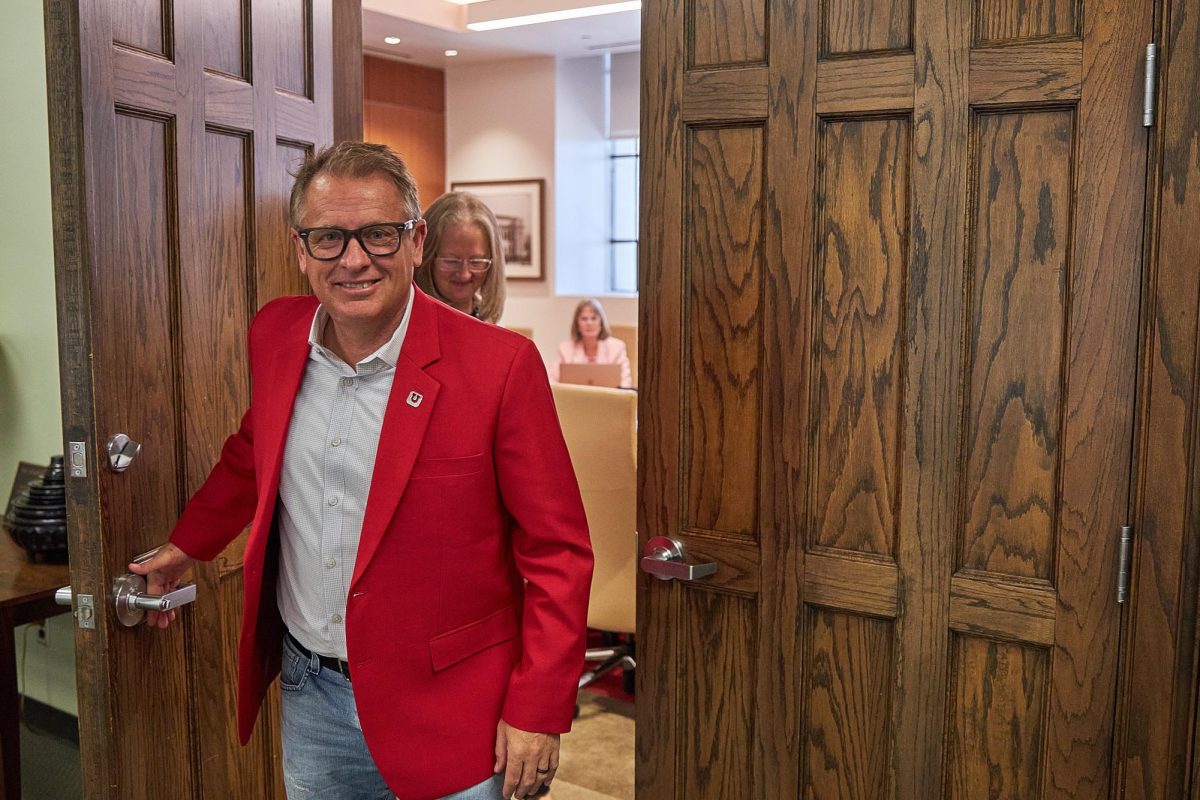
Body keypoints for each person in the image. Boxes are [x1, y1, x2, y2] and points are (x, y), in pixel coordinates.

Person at [132, 142, 593, 800]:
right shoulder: (275, 334)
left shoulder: (499, 367)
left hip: (455, 709)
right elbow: (251, 452)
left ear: (415, 240)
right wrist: (186, 547)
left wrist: (539, 709)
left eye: (378, 233)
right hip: (312, 694)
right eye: (329, 237)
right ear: (301, 248)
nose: (353, 259)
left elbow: (558, 551)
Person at [414, 191, 506, 323]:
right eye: (451, 261)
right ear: (426, 258)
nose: (464, 274)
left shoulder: (488, 324)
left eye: (476, 261)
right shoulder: (405, 324)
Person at [549, 299, 633, 388]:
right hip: (575, 399)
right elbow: (552, 381)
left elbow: (625, 383)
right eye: (584, 319)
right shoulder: (565, 349)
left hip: (609, 399)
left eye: (593, 318)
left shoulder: (617, 348)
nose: (589, 323)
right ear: (577, 324)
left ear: (601, 322)